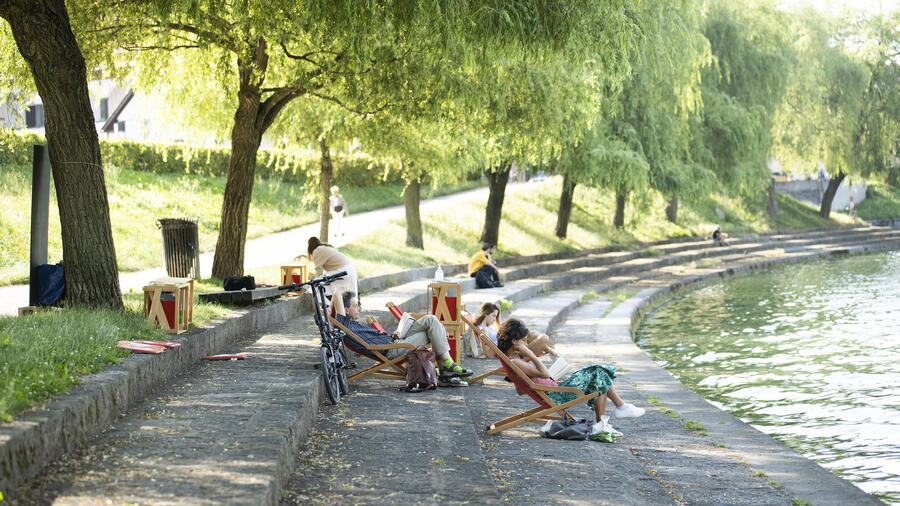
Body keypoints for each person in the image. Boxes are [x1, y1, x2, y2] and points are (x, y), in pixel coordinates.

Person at [497, 319, 644, 435]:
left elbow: (522, 389)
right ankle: (616, 411)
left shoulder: (513, 360)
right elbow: (544, 373)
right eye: (523, 340)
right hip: (555, 396)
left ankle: (608, 418)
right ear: (515, 341)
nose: (525, 343)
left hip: (554, 390)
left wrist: (547, 381)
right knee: (598, 371)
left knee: (598, 375)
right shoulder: (515, 361)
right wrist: (530, 354)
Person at [332, 290, 473, 386]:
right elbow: (337, 294)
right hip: (392, 350)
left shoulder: (350, 323)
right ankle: (447, 368)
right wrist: (334, 315)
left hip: (394, 341)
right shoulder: (344, 324)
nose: (359, 309)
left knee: (431, 320)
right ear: (345, 310)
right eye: (356, 306)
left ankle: (446, 370)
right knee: (434, 329)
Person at [473, 302, 557, 359]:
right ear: (485, 314)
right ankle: (545, 349)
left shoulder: (487, 328)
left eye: (496, 316)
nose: (495, 319)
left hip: (511, 346)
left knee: (533, 334)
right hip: (511, 353)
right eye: (493, 316)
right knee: (544, 338)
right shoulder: (483, 330)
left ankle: (546, 348)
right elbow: (488, 354)